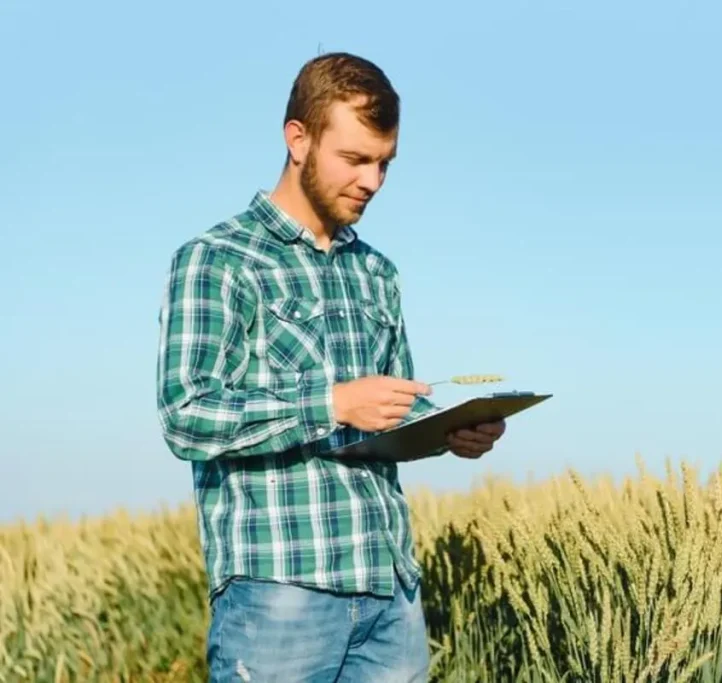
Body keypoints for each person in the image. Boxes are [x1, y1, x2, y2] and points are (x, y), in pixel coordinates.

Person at [155, 51, 506, 682]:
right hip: (278, 593)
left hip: (389, 590)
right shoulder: (217, 259)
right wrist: (334, 402)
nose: (372, 181)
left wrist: (451, 430)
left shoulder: (378, 272)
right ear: (298, 140)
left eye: (384, 163)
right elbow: (185, 416)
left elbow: (391, 413)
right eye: (354, 158)